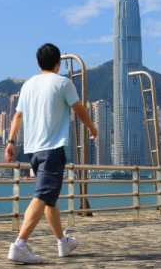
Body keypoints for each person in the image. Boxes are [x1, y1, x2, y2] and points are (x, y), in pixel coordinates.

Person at [5, 43, 99, 265]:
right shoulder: (63, 83)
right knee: (42, 196)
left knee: (50, 198)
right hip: (52, 149)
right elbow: (80, 109)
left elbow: (18, 116)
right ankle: (19, 244)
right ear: (59, 64)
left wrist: (10, 142)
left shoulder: (28, 85)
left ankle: (63, 241)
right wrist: (92, 129)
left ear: (38, 63)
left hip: (33, 151)